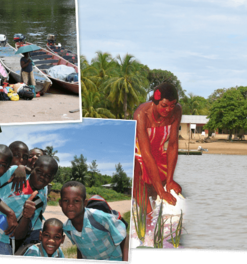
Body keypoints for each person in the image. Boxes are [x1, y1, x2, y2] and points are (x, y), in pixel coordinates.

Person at [132, 82, 182, 214]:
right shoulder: (141, 114)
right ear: (155, 102)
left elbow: (172, 145)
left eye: (172, 105)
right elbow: (146, 153)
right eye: (164, 105)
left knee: (175, 188)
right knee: (136, 172)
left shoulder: (177, 111)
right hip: (140, 156)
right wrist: (161, 191)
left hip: (159, 155)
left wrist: (170, 180)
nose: (168, 110)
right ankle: (148, 214)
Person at [60, 181, 128, 261]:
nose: (70, 205)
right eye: (66, 200)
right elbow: (80, 246)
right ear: (60, 203)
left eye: (76, 201)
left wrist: (125, 260)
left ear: (85, 203)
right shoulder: (67, 228)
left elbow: (124, 237)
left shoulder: (98, 217)